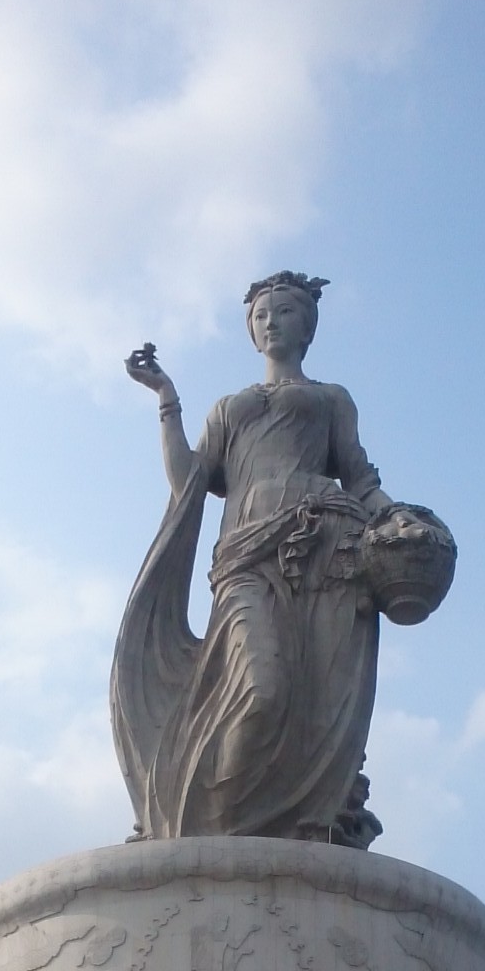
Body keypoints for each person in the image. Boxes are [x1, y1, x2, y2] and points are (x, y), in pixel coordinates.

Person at [114, 273, 402, 844]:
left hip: (325, 554)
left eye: (286, 311)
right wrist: (166, 399)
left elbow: (362, 479)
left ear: (308, 326)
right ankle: (210, 815)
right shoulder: (230, 407)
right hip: (245, 559)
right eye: (263, 314)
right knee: (262, 688)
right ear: (251, 331)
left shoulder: (329, 399)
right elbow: (189, 481)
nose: (273, 321)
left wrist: (399, 520)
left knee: (314, 699)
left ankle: (300, 822)